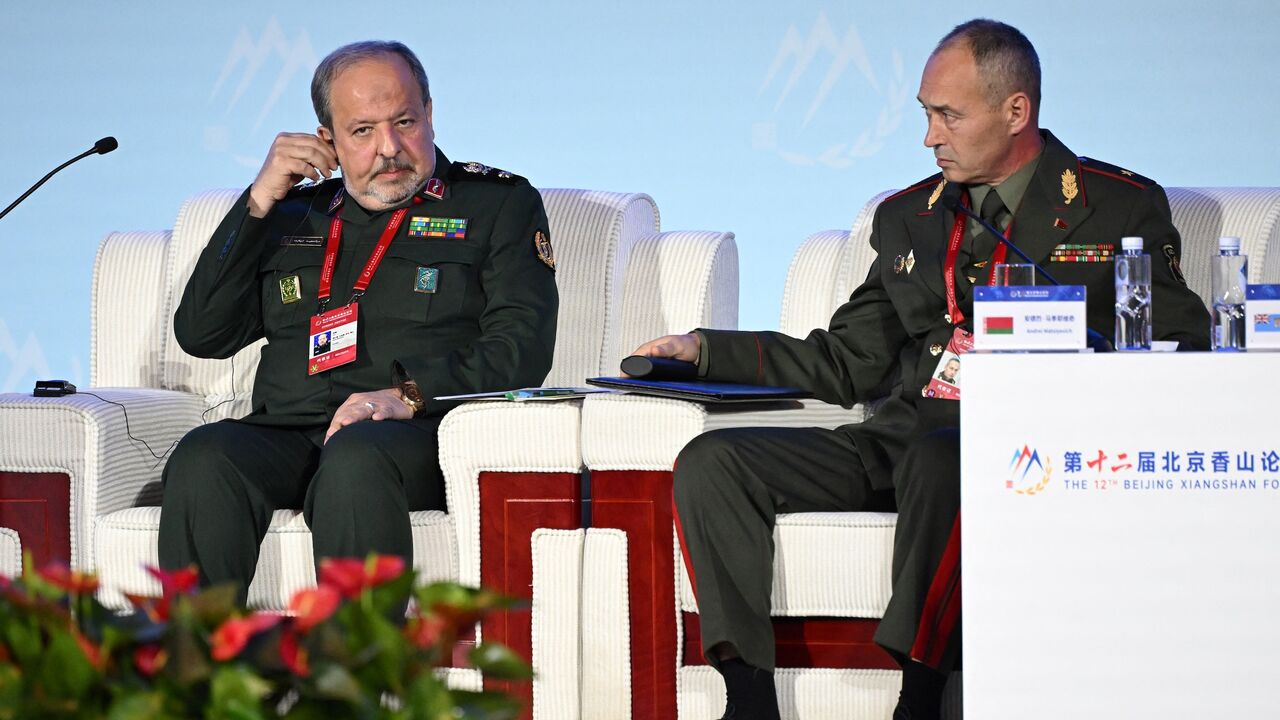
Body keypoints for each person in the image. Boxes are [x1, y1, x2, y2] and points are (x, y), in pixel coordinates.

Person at [632, 19, 1208, 720]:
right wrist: (705, 349)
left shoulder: (1114, 205)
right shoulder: (911, 216)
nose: (930, 136)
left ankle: (922, 696)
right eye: (926, 115)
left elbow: (1180, 343)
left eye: (948, 116)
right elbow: (850, 360)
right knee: (713, 461)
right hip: (903, 436)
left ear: (1016, 110)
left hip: (1026, 448)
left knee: (942, 461)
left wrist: (1070, 362)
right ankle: (747, 696)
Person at [158, 41, 558, 605]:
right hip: (291, 429)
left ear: (430, 112)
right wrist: (257, 202)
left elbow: (523, 349)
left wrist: (406, 395)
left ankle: (355, 687)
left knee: (356, 461)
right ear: (328, 139)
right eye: (363, 131)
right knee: (206, 456)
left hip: (415, 433)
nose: (390, 148)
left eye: (405, 122)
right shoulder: (296, 211)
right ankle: (194, 679)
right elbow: (203, 333)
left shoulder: (496, 204)